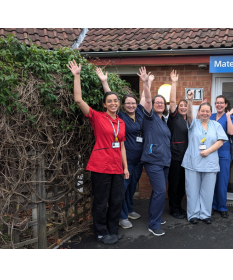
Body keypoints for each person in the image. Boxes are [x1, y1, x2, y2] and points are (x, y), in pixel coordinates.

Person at [67, 60, 129, 245]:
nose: (113, 103)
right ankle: (101, 233)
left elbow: (123, 146)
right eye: (109, 101)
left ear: (118, 104)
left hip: (117, 167)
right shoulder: (97, 117)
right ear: (104, 105)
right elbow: (78, 99)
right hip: (101, 166)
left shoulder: (121, 122)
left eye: (115, 101)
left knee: (116, 201)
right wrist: (76, 76)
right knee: (101, 202)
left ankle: (112, 230)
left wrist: (126, 168)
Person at [96, 68, 152, 229]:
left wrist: (146, 82)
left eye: (133, 103)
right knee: (123, 188)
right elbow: (110, 98)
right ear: (123, 105)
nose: (131, 105)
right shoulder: (120, 116)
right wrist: (104, 82)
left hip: (138, 159)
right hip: (125, 160)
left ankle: (129, 209)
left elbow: (146, 99)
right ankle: (121, 216)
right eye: (127, 103)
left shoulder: (140, 113)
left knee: (132, 187)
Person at [182, 90, 228, 224]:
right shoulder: (193, 123)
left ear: (211, 113)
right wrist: (189, 100)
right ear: (199, 112)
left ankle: (205, 214)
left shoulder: (216, 125)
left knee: (207, 191)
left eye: (208, 111)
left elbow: (221, 141)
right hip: (193, 162)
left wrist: (208, 151)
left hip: (210, 162)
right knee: (192, 190)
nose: (205, 113)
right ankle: (193, 215)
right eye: (202, 111)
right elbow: (189, 114)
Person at [136, 67, 171, 236]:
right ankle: (154, 224)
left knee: (159, 191)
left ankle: (154, 216)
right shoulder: (149, 117)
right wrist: (146, 83)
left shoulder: (163, 120)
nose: (159, 104)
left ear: (165, 106)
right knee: (160, 191)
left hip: (164, 161)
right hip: (153, 160)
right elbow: (147, 101)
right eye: (157, 102)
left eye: (162, 103)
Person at [210, 96, 233, 218]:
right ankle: (213, 205)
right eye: (217, 103)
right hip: (211, 152)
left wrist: (229, 117)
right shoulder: (211, 116)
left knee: (222, 181)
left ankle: (222, 207)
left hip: (223, 153)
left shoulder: (229, 117)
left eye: (222, 103)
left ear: (226, 105)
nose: (219, 105)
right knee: (211, 181)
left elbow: (231, 132)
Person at [167, 70, 188, 219]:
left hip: (187, 157)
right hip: (175, 156)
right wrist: (174, 83)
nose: (182, 107)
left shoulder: (190, 120)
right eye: (181, 105)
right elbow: (172, 102)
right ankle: (173, 208)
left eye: (185, 106)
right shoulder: (174, 118)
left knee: (182, 184)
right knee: (174, 184)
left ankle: (179, 206)